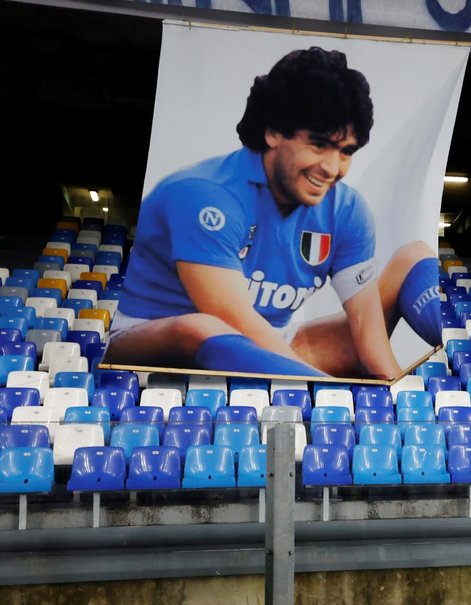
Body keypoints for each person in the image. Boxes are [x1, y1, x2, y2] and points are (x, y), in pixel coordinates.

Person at [104, 47, 443, 379]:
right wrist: (326, 393)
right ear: (273, 132)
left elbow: (367, 328)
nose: (332, 167)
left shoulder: (347, 209)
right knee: (201, 326)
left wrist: (398, 398)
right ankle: (304, 383)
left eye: (346, 151)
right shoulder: (204, 194)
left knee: (412, 256)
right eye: (319, 144)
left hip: (269, 343)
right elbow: (232, 319)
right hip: (153, 344)